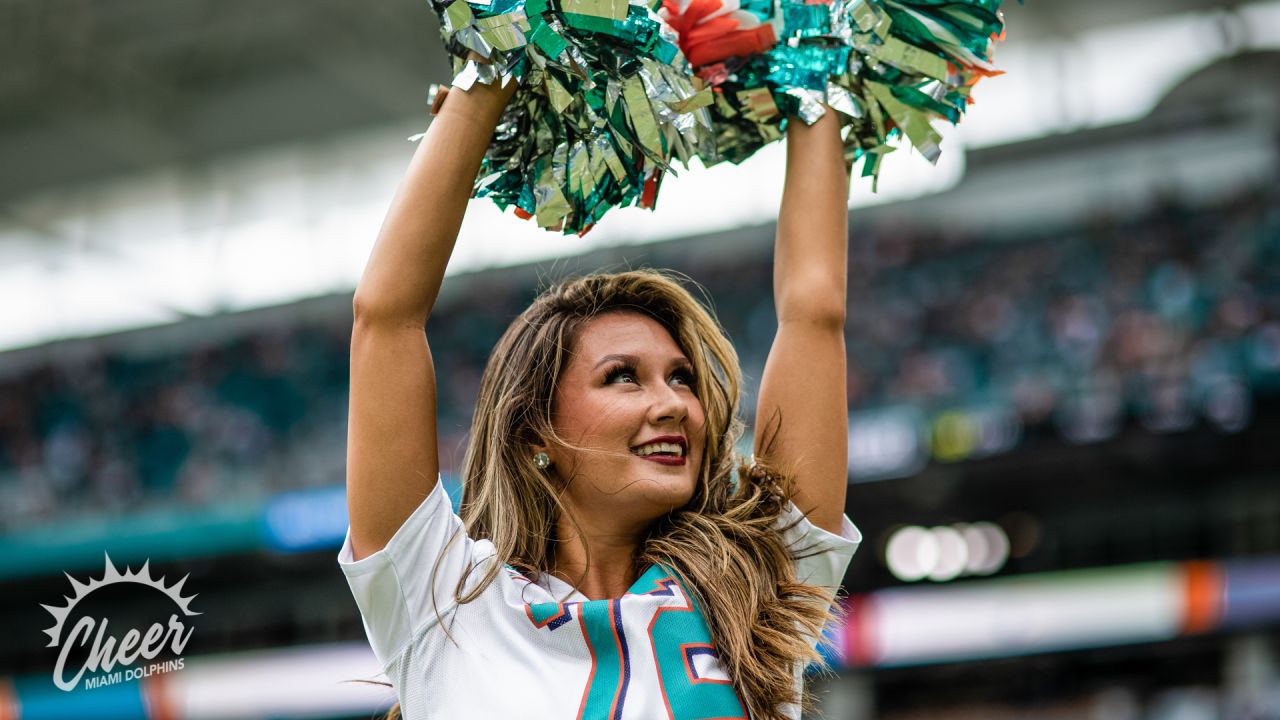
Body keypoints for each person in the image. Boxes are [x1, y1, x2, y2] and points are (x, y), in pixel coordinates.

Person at [338, 76, 861, 720]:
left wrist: (817, 77)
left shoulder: (752, 586)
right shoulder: (444, 603)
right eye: (622, 376)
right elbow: (385, 319)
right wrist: (493, 66)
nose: (673, 405)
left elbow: (813, 313)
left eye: (682, 378)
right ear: (533, 433)